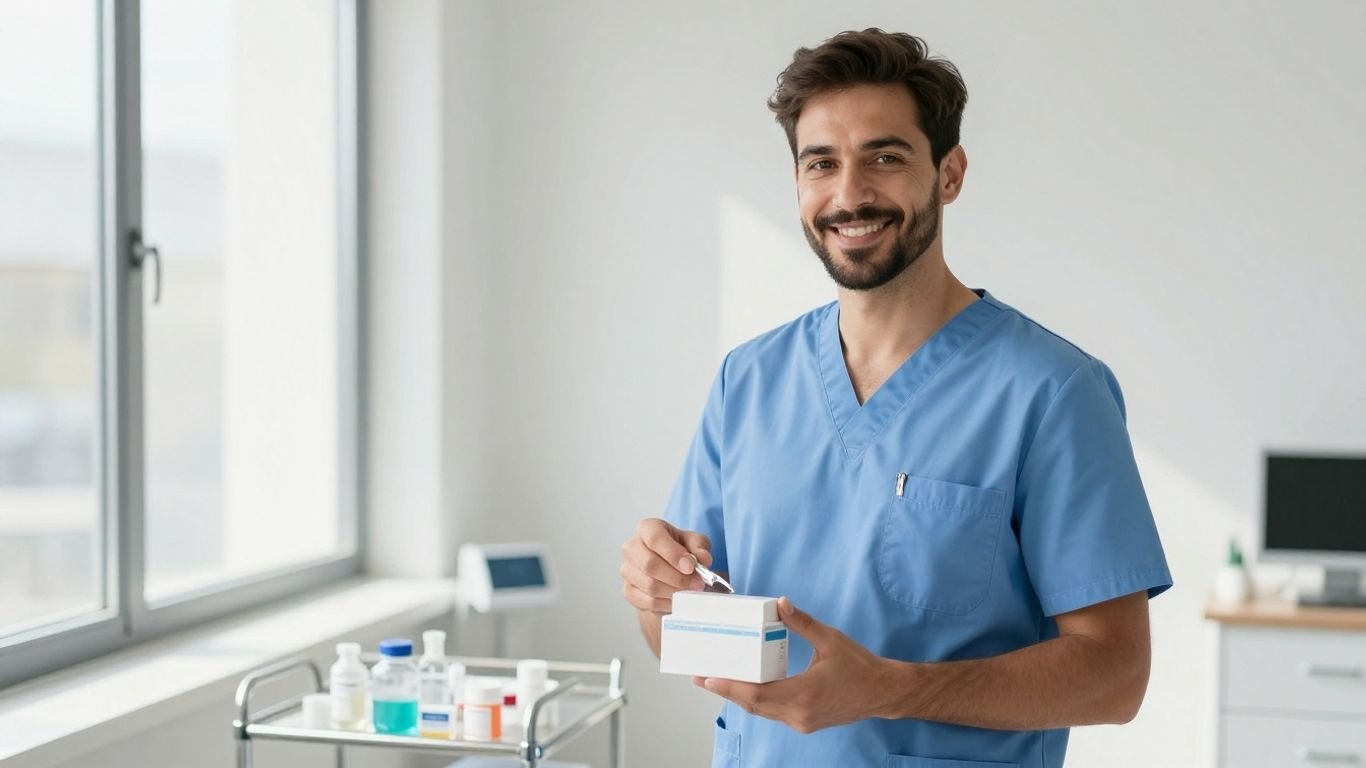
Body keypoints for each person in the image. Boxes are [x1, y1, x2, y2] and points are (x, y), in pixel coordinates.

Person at [619, 28, 1172, 768]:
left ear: (949, 173)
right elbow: (683, 636)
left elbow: (1115, 676)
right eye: (822, 163)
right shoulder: (747, 380)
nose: (850, 194)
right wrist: (657, 595)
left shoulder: (1053, 393)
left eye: (884, 156)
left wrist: (889, 689)